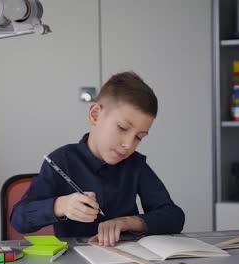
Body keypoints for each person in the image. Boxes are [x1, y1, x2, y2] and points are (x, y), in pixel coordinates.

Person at [11, 71, 185, 246]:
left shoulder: (135, 165)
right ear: (95, 115)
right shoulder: (61, 161)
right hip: (76, 263)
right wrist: (61, 206)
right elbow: (19, 219)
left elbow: (173, 216)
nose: (128, 144)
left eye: (139, 137)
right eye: (123, 128)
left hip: (126, 260)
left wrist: (127, 222)